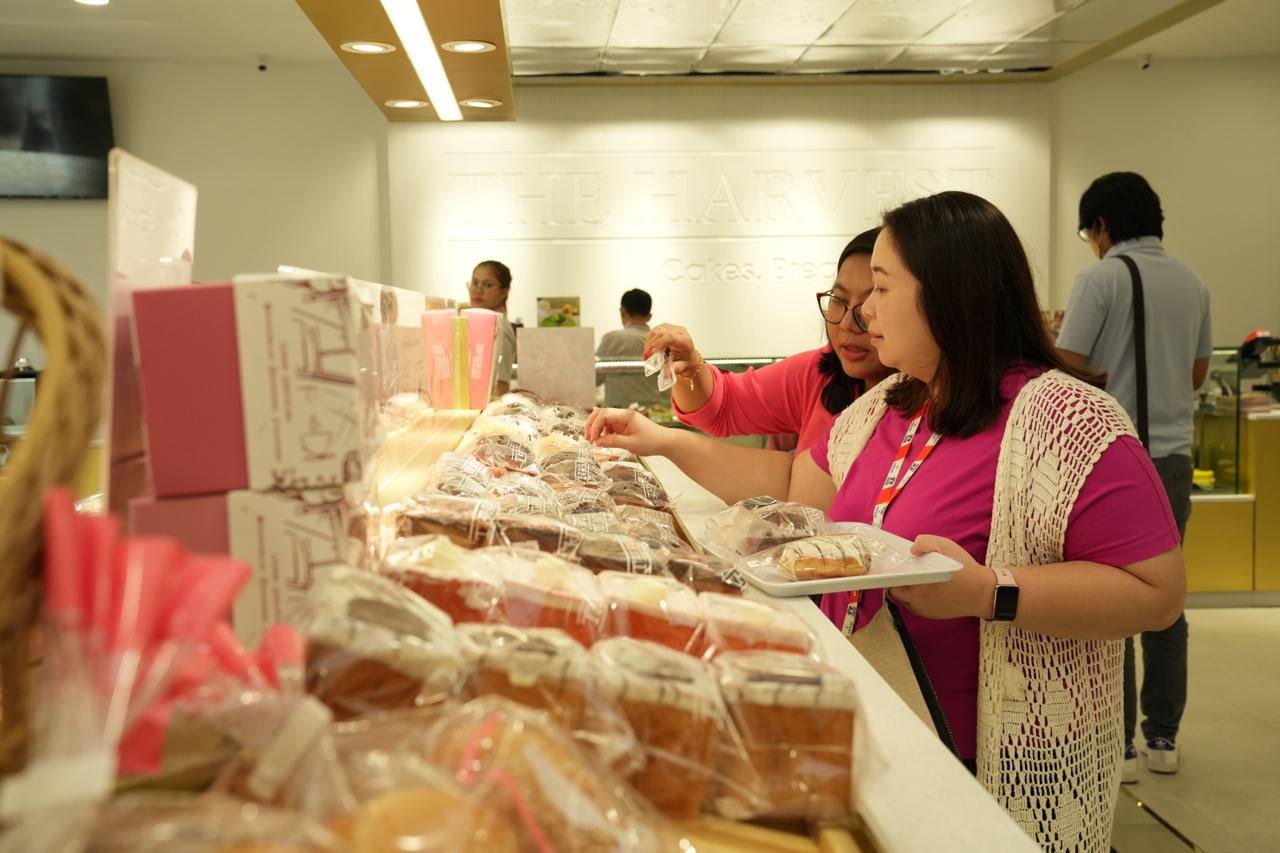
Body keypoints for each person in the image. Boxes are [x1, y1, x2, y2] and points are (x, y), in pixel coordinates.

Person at [586, 191, 1185, 853]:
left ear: (950, 295)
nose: (862, 312)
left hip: (989, 773)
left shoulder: (1065, 419)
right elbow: (793, 493)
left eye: (880, 288)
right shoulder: (887, 407)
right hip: (878, 743)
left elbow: (1157, 591)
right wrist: (662, 441)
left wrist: (990, 591)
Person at [1057, 171, 1211, 783]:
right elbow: (1198, 374)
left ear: (1102, 226)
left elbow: (1065, 368)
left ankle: (1116, 745)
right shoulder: (1193, 282)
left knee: (1115, 600)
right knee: (1166, 598)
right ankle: (1163, 737)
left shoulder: (1100, 279)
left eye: (1088, 231)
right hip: (1174, 457)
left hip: (1113, 460)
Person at [643, 228, 893, 454]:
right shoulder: (818, 373)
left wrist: (670, 444)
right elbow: (723, 405)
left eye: (869, 305)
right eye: (839, 300)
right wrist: (689, 368)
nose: (848, 324)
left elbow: (793, 484)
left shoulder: (926, 412)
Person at [595, 288, 669, 409]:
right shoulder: (662, 340)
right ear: (649, 316)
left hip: (618, 414)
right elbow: (668, 388)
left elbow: (595, 379)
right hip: (656, 414)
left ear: (622, 312)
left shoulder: (611, 339)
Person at [467, 260, 518, 397]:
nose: (478, 290)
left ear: (504, 292)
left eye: (488, 285)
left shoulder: (500, 329)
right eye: (475, 283)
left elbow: (500, 387)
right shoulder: (482, 324)